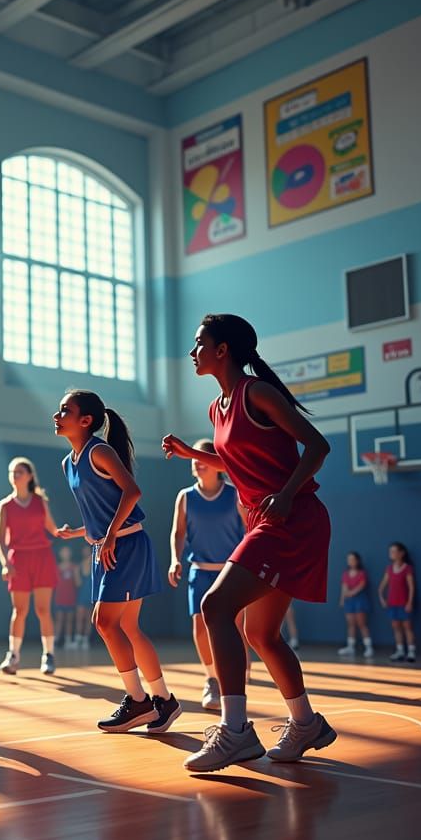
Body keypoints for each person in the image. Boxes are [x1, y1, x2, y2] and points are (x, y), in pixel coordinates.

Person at [163, 313, 335, 772]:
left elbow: (317, 446)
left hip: (293, 517)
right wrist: (193, 454)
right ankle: (307, 723)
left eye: (200, 343)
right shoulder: (216, 408)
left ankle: (235, 730)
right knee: (260, 633)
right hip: (267, 516)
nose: (192, 351)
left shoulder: (256, 392)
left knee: (216, 607)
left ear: (223, 350)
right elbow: (233, 458)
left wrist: (287, 492)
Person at [55, 390, 180, 733]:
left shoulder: (100, 451)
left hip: (125, 545)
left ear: (86, 421)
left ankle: (138, 701)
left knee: (105, 623)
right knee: (127, 627)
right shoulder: (69, 463)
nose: (57, 415)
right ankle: (164, 700)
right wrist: (83, 532)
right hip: (106, 547)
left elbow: (132, 492)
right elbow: (103, 511)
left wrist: (109, 536)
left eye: (65, 410)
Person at [167, 438, 247, 711]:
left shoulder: (235, 494)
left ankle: (236, 677)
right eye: (193, 458)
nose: (197, 461)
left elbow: (249, 531)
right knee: (200, 628)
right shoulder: (185, 497)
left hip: (230, 573)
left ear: (217, 464)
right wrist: (175, 560)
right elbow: (178, 533)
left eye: (203, 457)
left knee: (234, 628)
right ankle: (211, 679)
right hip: (199, 572)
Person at [0, 456, 61, 675]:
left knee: (43, 610)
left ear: (29, 476)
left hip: (42, 558)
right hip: (18, 561)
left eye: (19, 472)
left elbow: (53, 529)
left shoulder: (41, 501)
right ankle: (13, 656)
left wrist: (75, 531)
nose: (15, 476)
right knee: (19, 610)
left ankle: (48, 655)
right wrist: (5, 563)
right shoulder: (5, 505)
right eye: (12, 472)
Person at [378, 542, 415, 662]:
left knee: (407, 627)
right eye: (390, 551)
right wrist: (382, 599)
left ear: (401, 553)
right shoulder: (389, 568)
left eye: (394, 551)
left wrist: (409, 602)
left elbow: (411, 587)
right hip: (392, 604)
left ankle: (411, 652)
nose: (391, 554)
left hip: (404, 604)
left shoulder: (407, 568)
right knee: (396, 628)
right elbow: (381, 587)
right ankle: (400, 651)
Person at [337, 551, 373, 657]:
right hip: (349, 602)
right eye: (349, 559)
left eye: (353, 559)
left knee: (362, 624)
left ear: (357, 561)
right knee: (351, 624)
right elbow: (344, 587)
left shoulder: (362, 573)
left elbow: (362, 585)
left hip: (360, 601)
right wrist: (342, 599)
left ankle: (369, 648)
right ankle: (350, 647)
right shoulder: (345, 573)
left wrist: (351, 593)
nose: (350, 561)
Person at [52, 546, 81, 651]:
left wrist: (75, 573)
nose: (65, 554)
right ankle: (55, 640)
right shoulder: (56, 567)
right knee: (59, 620)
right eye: (63, 552)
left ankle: (68, 641)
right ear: (60, 554)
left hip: (71, 598)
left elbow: (78, 583)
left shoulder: (74, 567)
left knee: (69, 620)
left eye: (67, 552)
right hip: (59, 597)